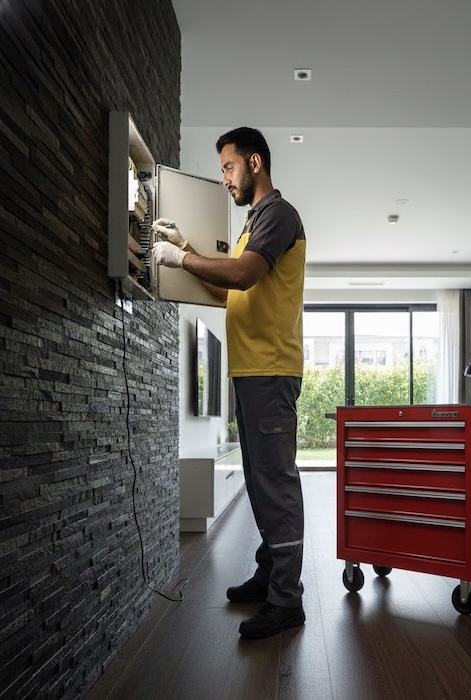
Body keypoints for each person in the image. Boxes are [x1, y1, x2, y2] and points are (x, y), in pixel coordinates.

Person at [152, 127, 306, 640]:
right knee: (262, 484)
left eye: (228, 167)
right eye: (222, 170)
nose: (225, 178)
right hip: (250, 369)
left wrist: (183, 258)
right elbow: (229, 294)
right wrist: (185, 249)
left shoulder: (278, 215)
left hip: (270, 368)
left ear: (255, 162)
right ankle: (269, 576)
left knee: (276, 484)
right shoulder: (251, 226)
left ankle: (288, 601)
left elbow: (240, 276)